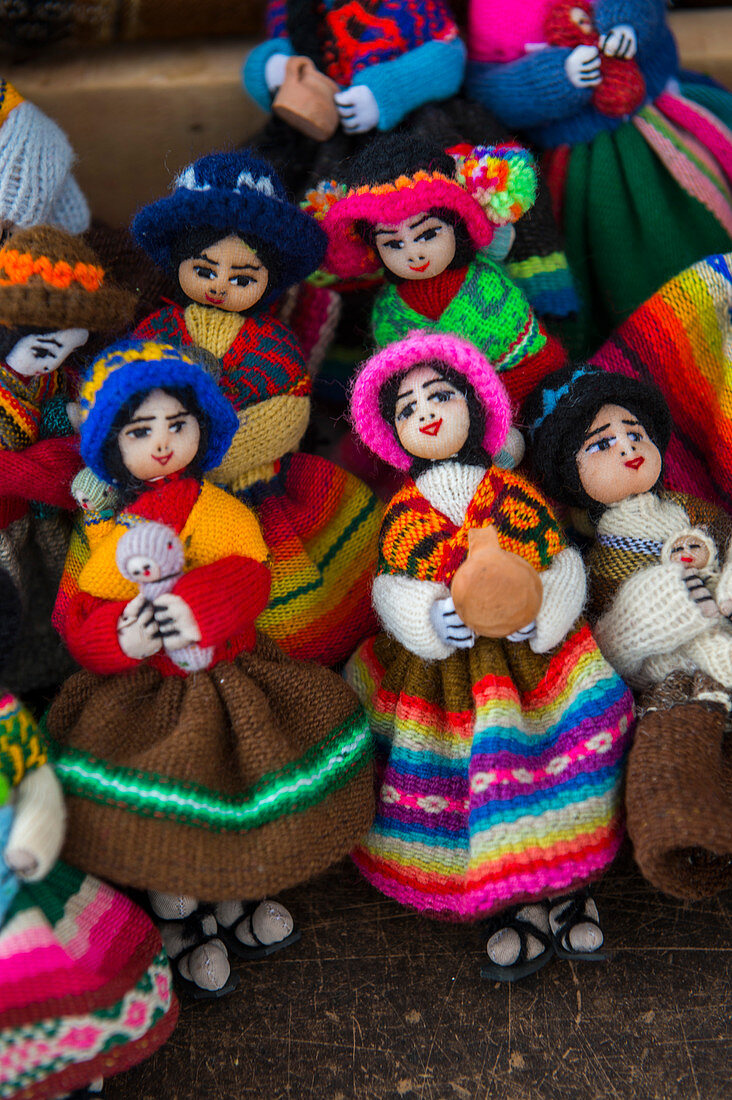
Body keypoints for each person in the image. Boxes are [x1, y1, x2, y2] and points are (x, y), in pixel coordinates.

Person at [46, 338, 374, 998]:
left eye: (178, 424)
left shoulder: (218, 509)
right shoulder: (103, 530)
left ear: (204, 428)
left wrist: (194, 610)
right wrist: (119, 638)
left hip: (229, 674)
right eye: (142, 430)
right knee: (162, 799)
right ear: (113, 444)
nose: (163, 442)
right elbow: (73, 612)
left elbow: (248, 577)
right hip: (141, 691)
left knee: (247, 776)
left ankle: (243, 894)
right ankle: (184, 916)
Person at [345, 331, 633, 980]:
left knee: (562, 759)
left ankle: (567, 889)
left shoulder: (512, 493)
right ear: (394, 434)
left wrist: (547, 612)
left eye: (441, 393)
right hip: (444, 676)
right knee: (461, 780)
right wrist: (429, 619)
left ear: (475, 406)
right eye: (407, 406)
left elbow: (557, 559)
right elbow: (393, 587)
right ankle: (510, 904)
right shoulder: (406, 513)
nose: (426, 410)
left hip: (535, 659)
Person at [524, 363, 732, 899]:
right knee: (674, 760)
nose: (626, 448)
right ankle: (694, 845)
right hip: (678, 683)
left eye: (634, 434)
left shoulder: (693, 510)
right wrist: (665, 604)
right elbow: (607, 646)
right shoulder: (598, 564)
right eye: (601, 445)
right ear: (573, 478)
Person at [465, 0, 732, 353]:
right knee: (618, 269)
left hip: (659, 117)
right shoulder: (494, 12)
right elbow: (490, 89)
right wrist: (557, 77)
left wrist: (625, 27)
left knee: (696, 218)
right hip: (578, 164)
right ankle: (660, 346)